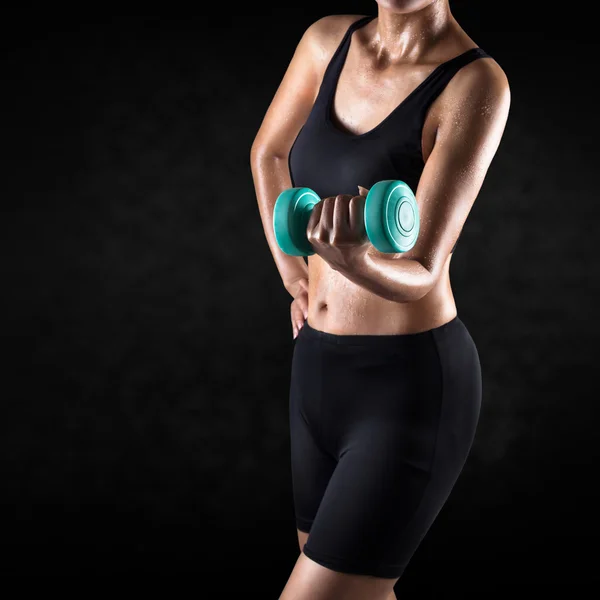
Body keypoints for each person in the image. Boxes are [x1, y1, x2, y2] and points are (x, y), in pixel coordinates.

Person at [250, 1, 510, 598]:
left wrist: (355, 262)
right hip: (315, 369)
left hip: (407, 386)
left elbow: (423, 265)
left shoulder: (474, 82)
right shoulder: (325, 42)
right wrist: (297, 277)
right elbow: (268, 155)